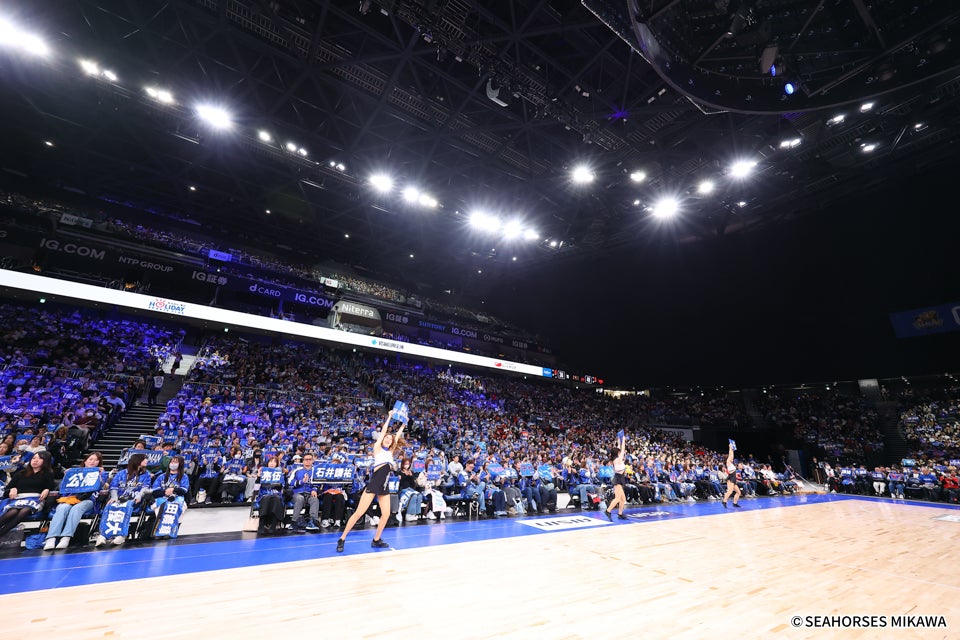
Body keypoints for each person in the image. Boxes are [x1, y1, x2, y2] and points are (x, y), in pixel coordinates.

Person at [337, 409, 404, 552]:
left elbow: (397, 436)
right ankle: (342, 538)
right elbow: (384, 431)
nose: (388, 439)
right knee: (359, 513)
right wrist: (389, 417)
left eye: (390, 439)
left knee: (386, 514)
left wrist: (404, 424)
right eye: (386, 438)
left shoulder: (390, 452)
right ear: (382, 439)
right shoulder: (377, 449)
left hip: (384, 485)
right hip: (374, 484)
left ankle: (376, 539)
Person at [44, 451, 108, 550]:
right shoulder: (74, 472)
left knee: (77, 509)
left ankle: (66, 537)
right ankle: (51, 538)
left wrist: (99, 475)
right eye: (90, 459)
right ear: (85, 461)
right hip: (70, 498)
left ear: (99, 463)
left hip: (88, 499)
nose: (92, 462)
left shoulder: (102, 473)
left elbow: (101, 485)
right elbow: (62, 487)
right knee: (62, 508)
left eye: (96, 460)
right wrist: (66, 476)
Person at [0, 451, 56, 539]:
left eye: (39, 458)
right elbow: (6, 491)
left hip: (36, 499)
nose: (35, 460)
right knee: (13, 511)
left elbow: (52, 488)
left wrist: (47, 490)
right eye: (33, 458)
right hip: (18, 499)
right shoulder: (20, 473)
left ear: (45, 461)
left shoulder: (48, 474)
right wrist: (12, 489)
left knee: (25, 510)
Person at [604, 434, 628, 521]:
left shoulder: (615, 459)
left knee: (623, 499)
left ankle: (620, 514)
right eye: (619, 452)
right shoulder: (618, 459)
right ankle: (608, 511)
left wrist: (619, 439)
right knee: (617, 498)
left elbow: (619, 448)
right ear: (617, 453)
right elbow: (622, 449)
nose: (620, 452)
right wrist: (623, 440)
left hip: (620, 478)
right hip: (618, 479)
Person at [722, 441, 742, 508]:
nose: (732, 458)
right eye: (730, 458)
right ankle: (724, 501)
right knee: (730, 491)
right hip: (730, 479)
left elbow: (731, 455)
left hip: (733, 479)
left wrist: (732, 449)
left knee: (738, 492)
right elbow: (731, 455)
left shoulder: (731, 463)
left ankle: (735, 503)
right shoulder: (728, 462)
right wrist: (730, 448)